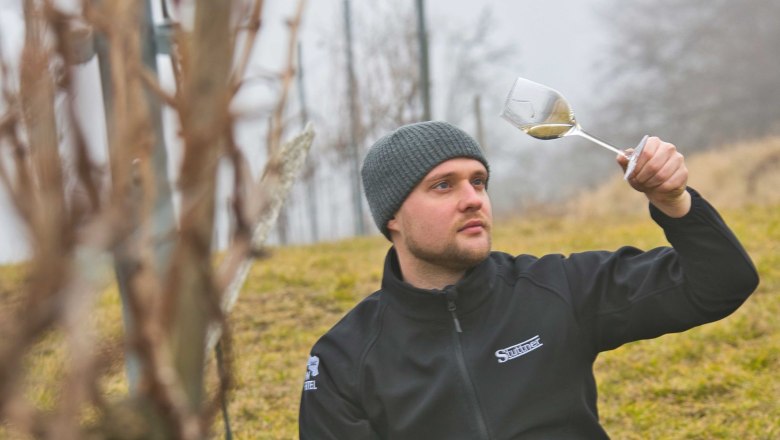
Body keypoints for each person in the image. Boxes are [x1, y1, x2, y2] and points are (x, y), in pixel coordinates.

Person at [298, 121, 759, 439]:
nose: (472, 199)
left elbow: (721, 282)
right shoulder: (345, 357)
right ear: (392, 217)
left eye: (478, 182)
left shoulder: (557, 288)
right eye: (443, 185)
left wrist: (673, 201)